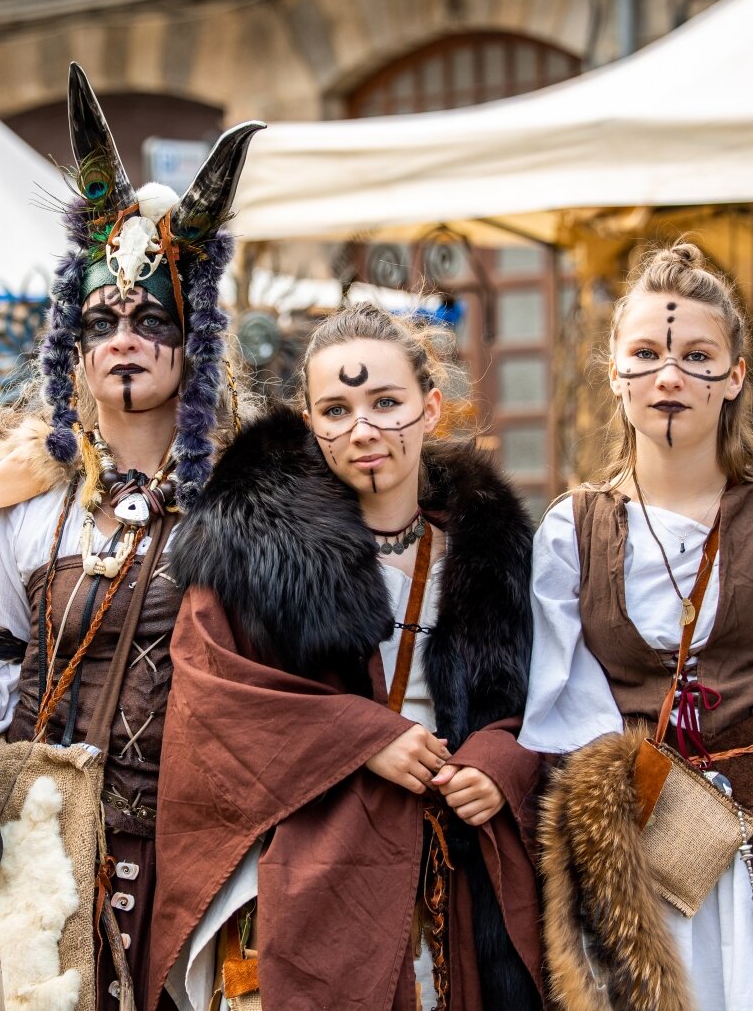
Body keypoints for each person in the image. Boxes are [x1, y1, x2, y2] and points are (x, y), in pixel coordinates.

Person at [0, 62, 262, 1010]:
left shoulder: (248, 503)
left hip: (197, 857)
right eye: (103, 321)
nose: (124, 338)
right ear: (75, 347)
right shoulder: (25, 502)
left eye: (150, 318)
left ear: (192, 339)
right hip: (44, 853)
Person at [521, 242, 753, 1011]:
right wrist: (665, 818)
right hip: (642, 856)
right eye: (646, 354)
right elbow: (567, 717)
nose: (670, 376)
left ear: (735, 376)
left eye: (697, 356)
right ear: (615, 373)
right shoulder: (572, 533)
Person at [150, 303, 543, 1011]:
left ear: (430, 408)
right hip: (320, 877)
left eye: (385, 402)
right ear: (309, 422)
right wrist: (362, 738)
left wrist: (498, 762)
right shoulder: (255, 556)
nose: (362, 429)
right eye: (336, 410)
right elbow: (213, 701)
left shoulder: (495, 556)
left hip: (456, 882)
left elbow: (551, 703)